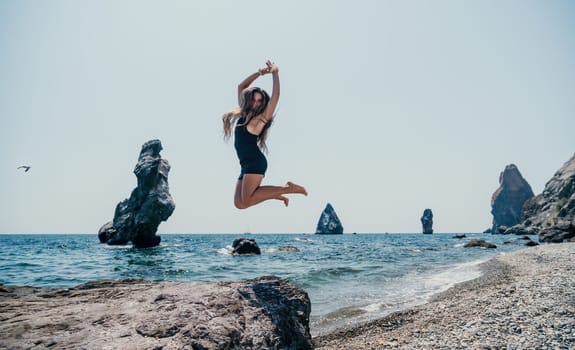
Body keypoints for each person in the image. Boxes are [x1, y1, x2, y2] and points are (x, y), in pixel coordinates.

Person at [222, 61, 307, 209]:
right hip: (245, 164)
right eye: (253, 99)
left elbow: (276, 95)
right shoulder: (244, 113)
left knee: (247, 200)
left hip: (255, 163)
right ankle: (274, 193)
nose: (256, 103)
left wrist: (275, 73)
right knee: (240, 204)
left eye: (260, 101)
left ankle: (288, 188)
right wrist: (260, 73)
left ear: (263, 103)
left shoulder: (261, 119)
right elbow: (241, 87)